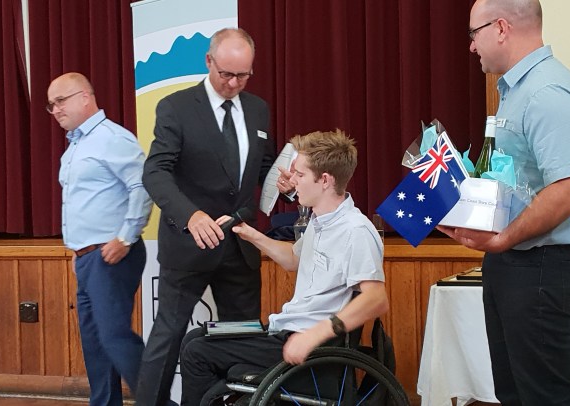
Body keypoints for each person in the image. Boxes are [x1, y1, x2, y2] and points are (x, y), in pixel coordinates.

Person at [438, 1, 570, 405]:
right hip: (516, 264)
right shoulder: (516, 91)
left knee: (545, 397)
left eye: (473, 34)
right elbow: (517, 182)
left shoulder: (547, 92)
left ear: (501, 28)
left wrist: (505, 238)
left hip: (540, 265)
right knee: (514, 394)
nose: (471, 46)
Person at [179, 130, 389, 406]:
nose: (292, 182)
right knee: (196, 337)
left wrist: (314, 335)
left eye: (300, 174)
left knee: (197, 352)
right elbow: (293, 258)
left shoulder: (355, 230)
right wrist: (251, 234)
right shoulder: (320, 221)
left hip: (311, 344)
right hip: (285, 329)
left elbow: (376, 299)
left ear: (325, 180)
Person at [136, 28, 281, 406]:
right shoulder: (176, 107)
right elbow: (156, 171)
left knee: (241, 340)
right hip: (190, 244)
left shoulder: (258, 108)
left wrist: (286, 180)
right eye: (226, 74)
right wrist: (191, 216)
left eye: (243, 75)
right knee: (167, 337)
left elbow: (264, 167)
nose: (233, 83)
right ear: (208, 62)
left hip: (240, 245)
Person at [47, 72, 152, 406]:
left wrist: (125, 238)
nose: (55, 110)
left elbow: (142, 186)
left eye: (60, 101)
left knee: (114, 336)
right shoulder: (76, 146)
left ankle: (158, 401)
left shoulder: (111, 138)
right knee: (95, 342)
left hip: (112, 254)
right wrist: (77, 251)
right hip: (88, 257)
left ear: (84, 97)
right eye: (51, 105)